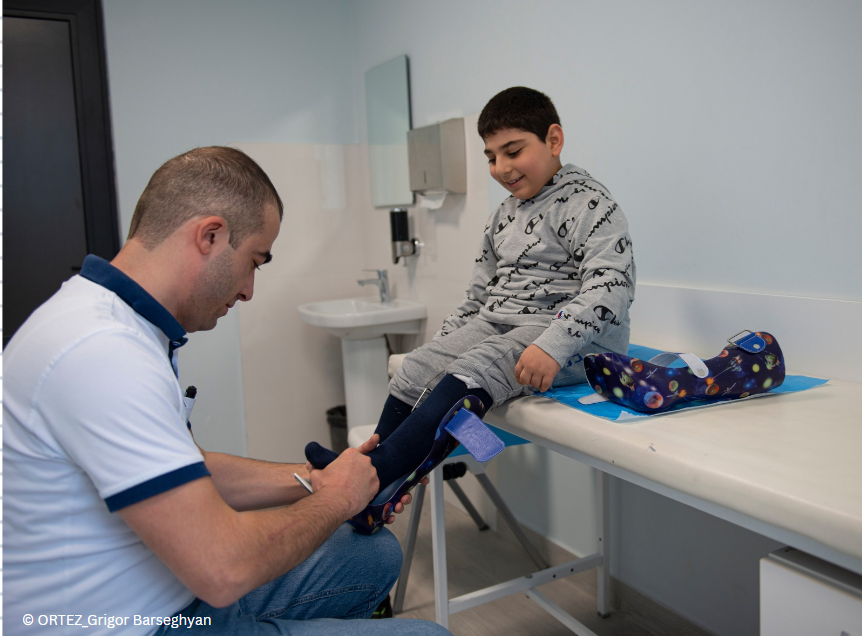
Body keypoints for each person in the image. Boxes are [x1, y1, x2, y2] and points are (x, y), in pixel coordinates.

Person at [3, 146, 449, 636]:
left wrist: (316, 478)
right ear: (210, 235)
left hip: (168, 590)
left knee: (371, 555)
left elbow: (192, 468)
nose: (249, 291)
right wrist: (338, 499)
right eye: (255, 261)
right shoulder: (102, 352)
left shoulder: (129, 327)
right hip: (130, 622)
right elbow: (223, 569)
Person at [307, 86, 636, 499]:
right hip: (500, 324)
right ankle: (366, 470)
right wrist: (443, 348)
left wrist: (552, 345)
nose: (501, 168)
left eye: (513, 151)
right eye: (491, 157)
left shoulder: (590, 204)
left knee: (479, 365)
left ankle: (375, 476)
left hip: (569, 341)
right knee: (417, 365)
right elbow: (479, 296)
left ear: (553, 140)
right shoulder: (503, 215)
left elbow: (611, 286)